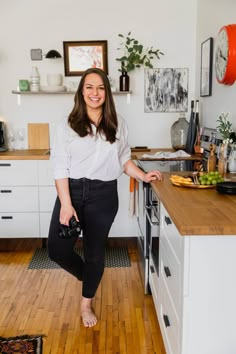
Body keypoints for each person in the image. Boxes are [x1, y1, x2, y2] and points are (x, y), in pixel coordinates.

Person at [48, 67, 162, 328]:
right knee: (57, 250)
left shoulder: (118, 123)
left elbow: (124, 160)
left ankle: (86, 302)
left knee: (95, 254)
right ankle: (90, 278)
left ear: (107, 93)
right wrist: (66, 204)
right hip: (72, 192)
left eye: (100, 87)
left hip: (103, 195)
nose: (94, 92)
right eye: (89, 87)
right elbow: (60, 167)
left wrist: (143, 176)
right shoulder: (65, 125)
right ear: (81, 92)